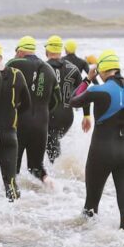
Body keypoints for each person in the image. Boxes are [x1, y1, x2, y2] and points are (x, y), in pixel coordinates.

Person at [70, 50, 124, 229]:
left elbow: (72, 100)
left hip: (102, 152)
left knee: (91, 207)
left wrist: (87, 79)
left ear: (101, 70)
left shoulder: (97, 90)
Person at [7, 36, 61, 184]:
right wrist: (42, 110)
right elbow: (57, 100)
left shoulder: (14, 63)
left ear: (20, 51)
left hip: (20, 123)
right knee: (36, 168)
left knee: (13, 168)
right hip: (41, 124)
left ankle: (12, 202)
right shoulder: (49, 69)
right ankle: (53, 188)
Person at [0, 40, 31, 201]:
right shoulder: (17, 75)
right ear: (1, 56)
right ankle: (14, 219)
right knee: (10, 183)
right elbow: (27, 105)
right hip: (9, 135)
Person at [45, 35, 91, 163]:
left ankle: (54, 178)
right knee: (53, 142)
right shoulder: (73, 69)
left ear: (47, 51)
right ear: (60, 50)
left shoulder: (41, 68)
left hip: (48, 116)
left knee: (50, 146)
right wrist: (87, 116)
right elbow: (84, 92)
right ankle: (63, 172)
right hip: (67, 117)